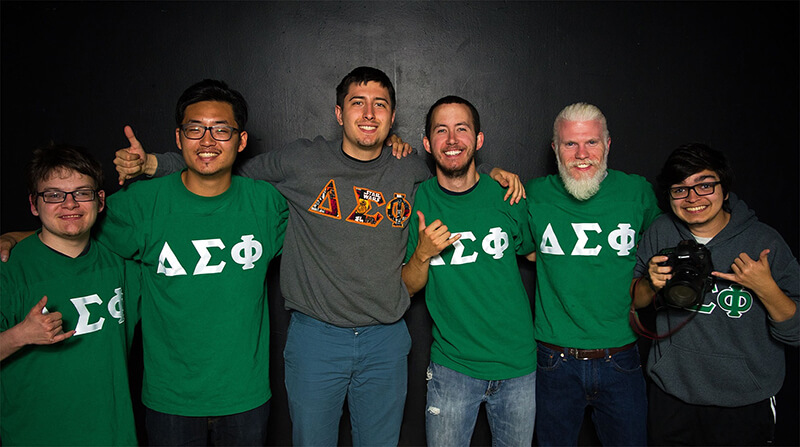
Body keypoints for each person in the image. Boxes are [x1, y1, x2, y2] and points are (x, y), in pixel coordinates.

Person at [110, 67, 524, 446]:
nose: (368, 113)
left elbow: (454, 169)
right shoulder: (301, 160)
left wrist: (491, 173)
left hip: (386, 338)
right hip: (316, 338)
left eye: (379, 104)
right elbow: (219, 166)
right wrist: (152, 164)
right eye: (357, 103)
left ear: (393, 117)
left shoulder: (409, 168)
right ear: (338, 113)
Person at [631, 143, 799, 445]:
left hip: (744, 401)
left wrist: (766, 288)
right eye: (679, 190)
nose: (693, 198)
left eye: (704, 185)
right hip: (672, 395)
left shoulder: (764, 242)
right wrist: (649, 283)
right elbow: (636, 301)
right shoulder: (661, 232)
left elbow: (796, 332)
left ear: (724, 187)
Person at [402, 96, 537, 446]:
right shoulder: (418, 202)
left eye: (461, 129)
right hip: (453, 368)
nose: (452, 139)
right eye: (441, 130)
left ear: (478, 140)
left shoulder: (508, 196)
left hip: (518, 367)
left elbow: (540, 257)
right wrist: (423, 254)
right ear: (427, 144)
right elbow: (407, 287)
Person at [525, 102, 660, 445]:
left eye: (592, 142)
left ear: (608, 145)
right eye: (570, 144)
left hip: (621, 358)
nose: (581, 154)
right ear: (555, 148)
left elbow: (662, 246)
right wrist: (497, 173)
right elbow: (519, 245)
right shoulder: (535, 195)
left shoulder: (637, 193)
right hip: (553, 362)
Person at [0, 144, 138, 445]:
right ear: (34, 205)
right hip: (34, 436)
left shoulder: (123, 262)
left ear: (100, 200)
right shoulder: (9, 268)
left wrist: (154, 164)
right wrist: (20, 335)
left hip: (113, 435)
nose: (70, 204)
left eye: (82, 192)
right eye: (53, 195)